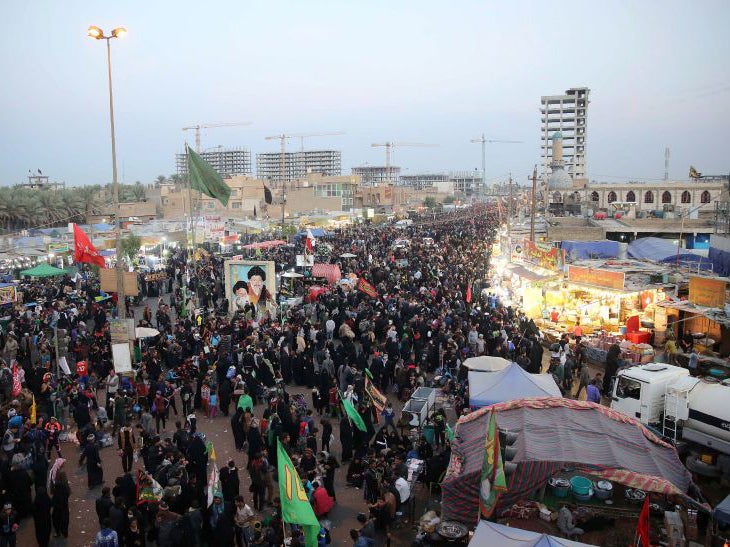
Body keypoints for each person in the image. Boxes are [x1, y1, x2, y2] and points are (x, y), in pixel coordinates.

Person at [51, 471, 71, 538]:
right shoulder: (65, 491)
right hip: (64, 509)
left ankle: (58, 532)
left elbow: (52, 502)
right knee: (65, 521)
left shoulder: (56, 493)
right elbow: (67, 495)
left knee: (56, 520)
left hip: (57, 510)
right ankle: (65, 533)